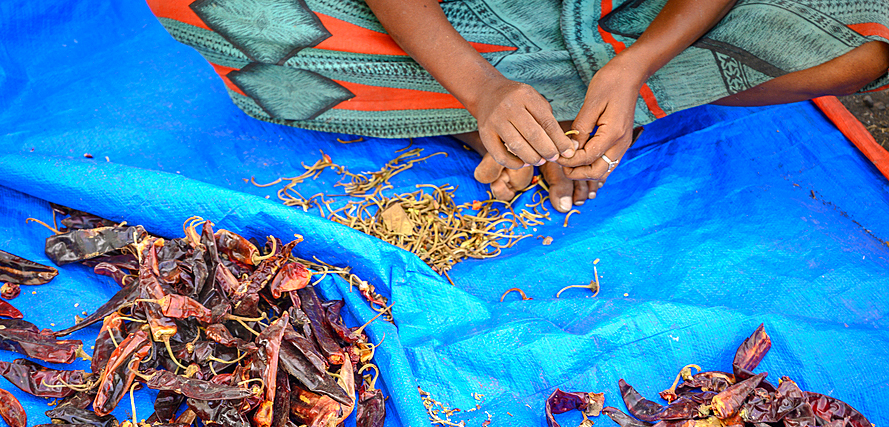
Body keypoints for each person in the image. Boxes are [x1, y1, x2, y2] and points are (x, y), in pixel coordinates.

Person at [149, 0, 889, 212]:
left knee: (869, 34)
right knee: (229, 10)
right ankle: (506, 114)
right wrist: (482, 87)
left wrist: (636, 67)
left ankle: (579, 112)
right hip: (466, 22)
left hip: (624, 17)